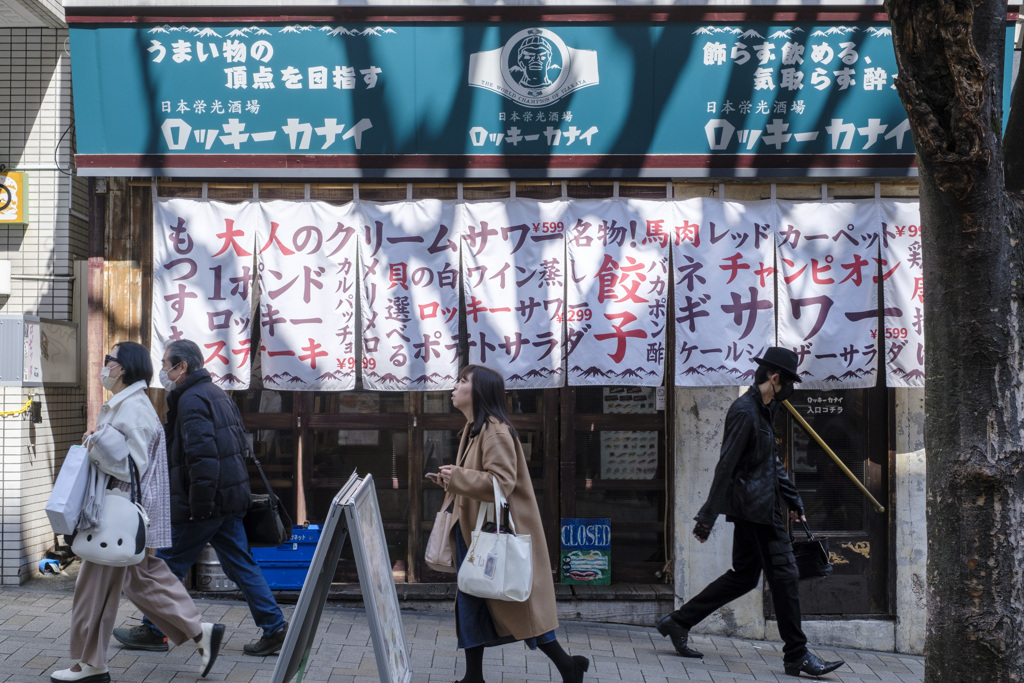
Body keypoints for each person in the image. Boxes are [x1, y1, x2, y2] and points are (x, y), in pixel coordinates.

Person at [655, 347, 845, 678]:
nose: (789, 390)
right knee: (785, 577)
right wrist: (706, 517)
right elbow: (726, 464)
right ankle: (797, 654)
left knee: (744, 576)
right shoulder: (745, 411)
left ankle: (678, 621)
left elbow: (769, 461)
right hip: (758, 512)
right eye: (788, 383)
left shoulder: (762, 410)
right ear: (775, 379)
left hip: (758, 507)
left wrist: (793, 499)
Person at [52, 341, 224, 683]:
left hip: (119, 512)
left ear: (124, 368)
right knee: (142, 576)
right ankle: (198, 631)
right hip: (128, 513)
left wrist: (98, 443)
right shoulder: (128, 404)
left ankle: (91, 664)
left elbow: (134, 465)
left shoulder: (132, 409)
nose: (104, 366)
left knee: (96, 587)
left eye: (109, 361)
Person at [112, 339, 288, 657]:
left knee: (165, 565)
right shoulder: (216, 394)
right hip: (229, 498)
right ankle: (275, 627)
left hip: (208, 503)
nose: (163, 371)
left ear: (183, 367)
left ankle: (153, 630)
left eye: (166, 365)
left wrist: (200, 506)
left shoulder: (192, 400)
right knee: (240, 564)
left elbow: (203, 459)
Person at [430, 365, 589, 683]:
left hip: (493, 533)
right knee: (472, 599)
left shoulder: (495, 430)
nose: (455, 386)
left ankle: (567, 666)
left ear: (477, 392)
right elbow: (480, 480)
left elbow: (502, 481)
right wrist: (451, 481)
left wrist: (458, 477)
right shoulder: (475, 429)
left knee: (514, 604)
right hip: (475, 530)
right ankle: (475, 676)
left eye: (462, 382)